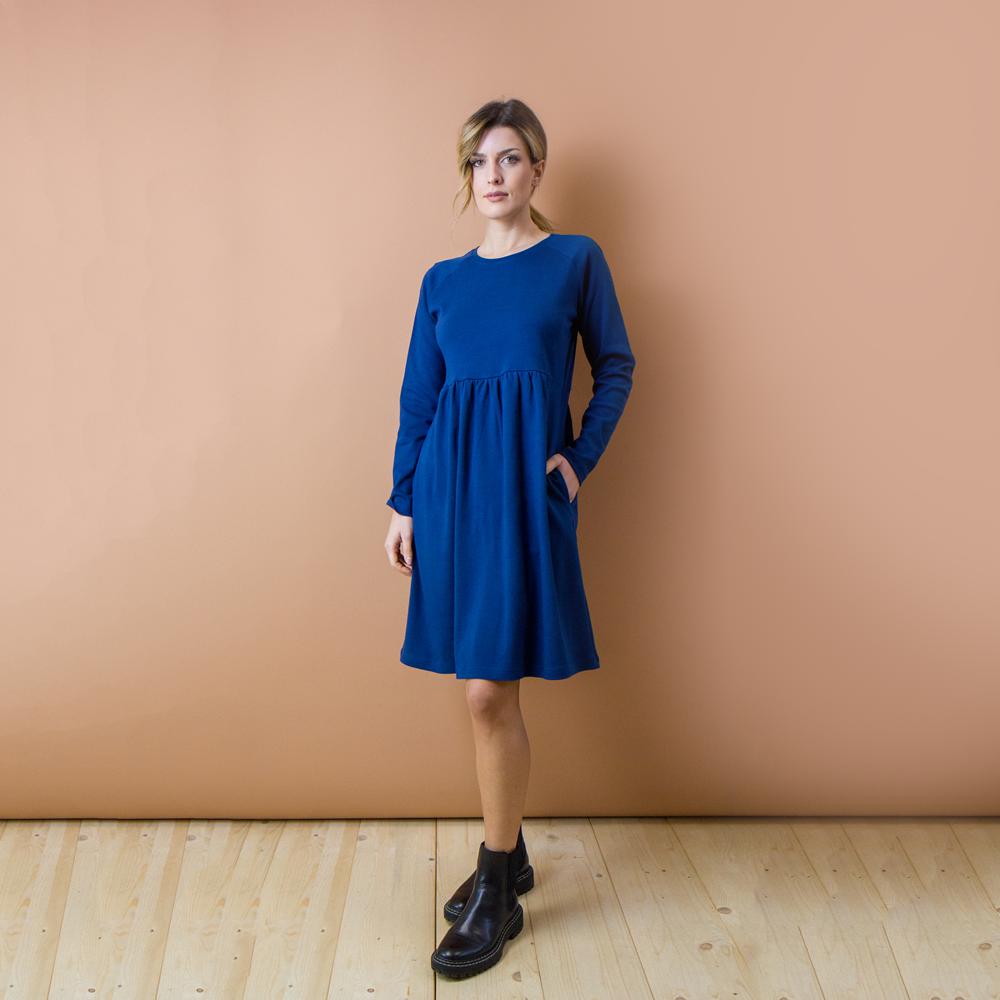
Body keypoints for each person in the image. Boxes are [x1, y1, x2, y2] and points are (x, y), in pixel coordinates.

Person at [383, 97, 636, 980]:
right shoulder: (442, 282)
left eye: (509, 158)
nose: (492, 175)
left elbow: (616, 364)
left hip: (524, 497)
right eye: (478, 162)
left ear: (537, 169)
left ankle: (497, 886)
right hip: (450, 497)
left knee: (489, 692)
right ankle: (512, 854)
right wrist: (403, 502)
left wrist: (578, 460)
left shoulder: (574, 260)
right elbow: (420, 397)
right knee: (478, 685)